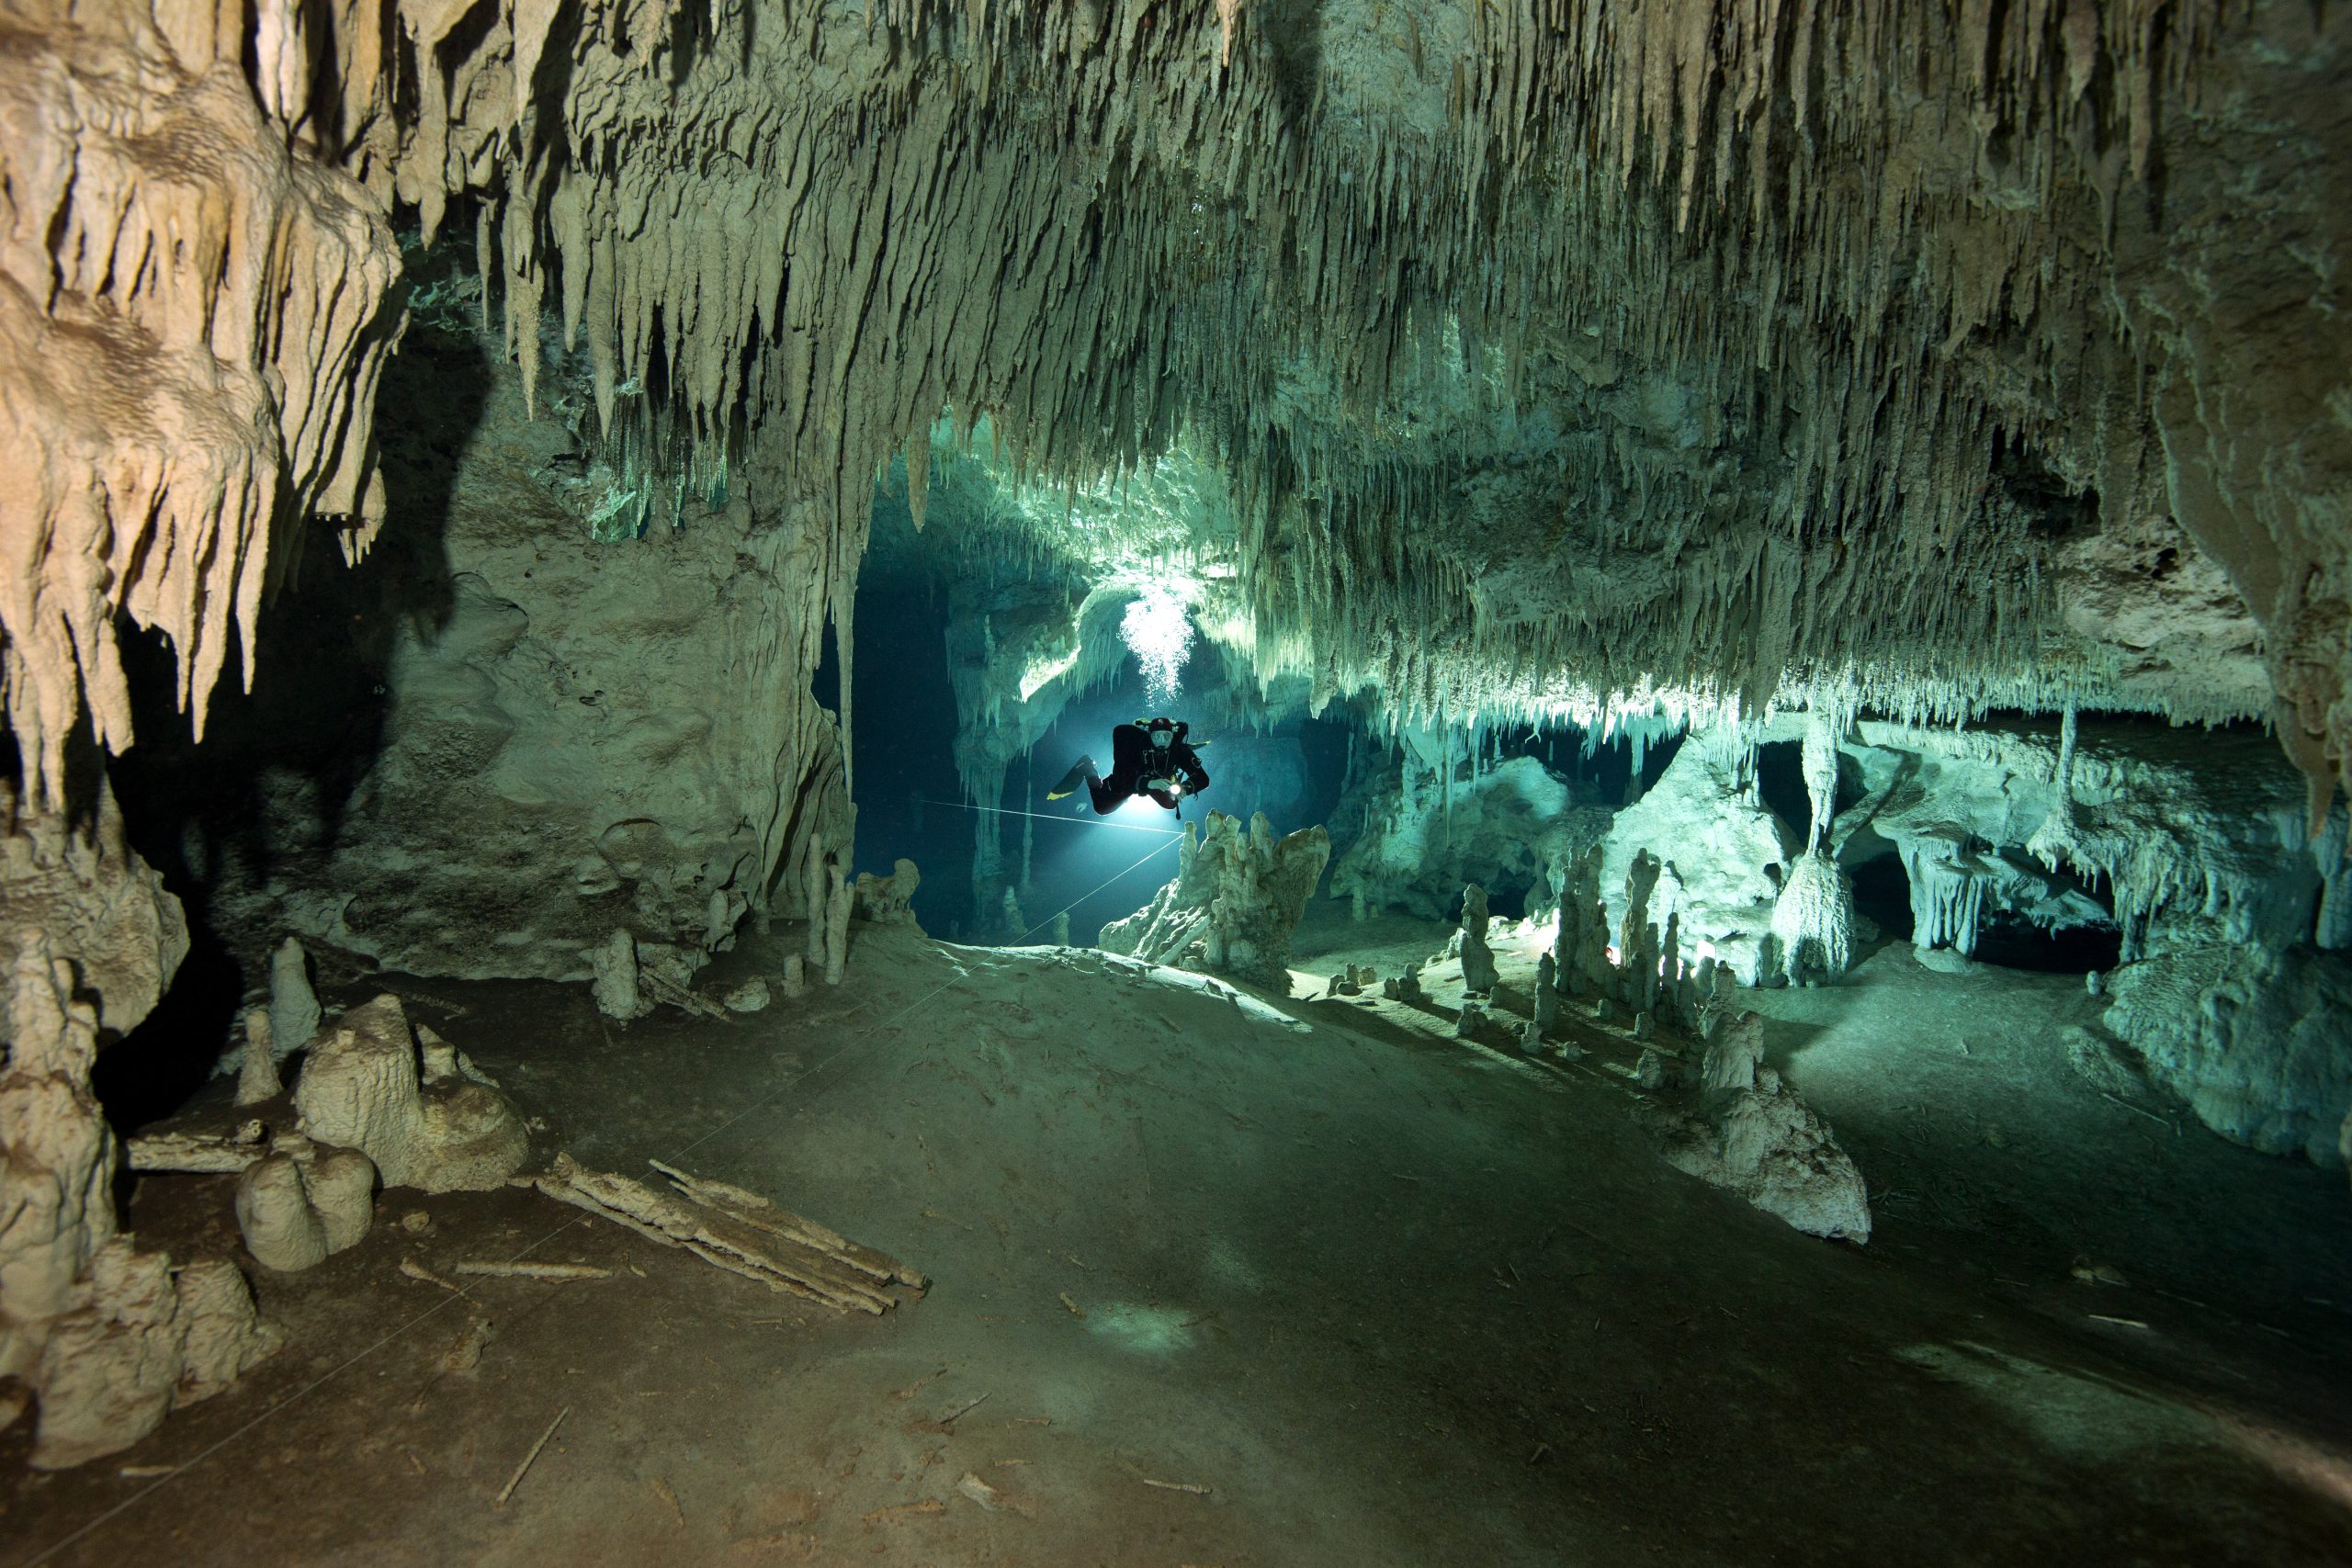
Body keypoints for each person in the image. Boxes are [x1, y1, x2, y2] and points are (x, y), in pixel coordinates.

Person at [1047, 716, 1210, 814]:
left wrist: (1185, 789)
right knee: (1102, 808)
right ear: (1150, 736)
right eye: (1157, 737)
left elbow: (1203, 778)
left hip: (1161, 782)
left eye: (1166, 737)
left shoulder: (1178, 750)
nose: (1162, 742)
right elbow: (1120, 774)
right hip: (1133, 778)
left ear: (1172, 737)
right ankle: (1087, 768)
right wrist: (1148, 782)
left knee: (1171, 803)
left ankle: (1155, 787)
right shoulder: (1138, 746)